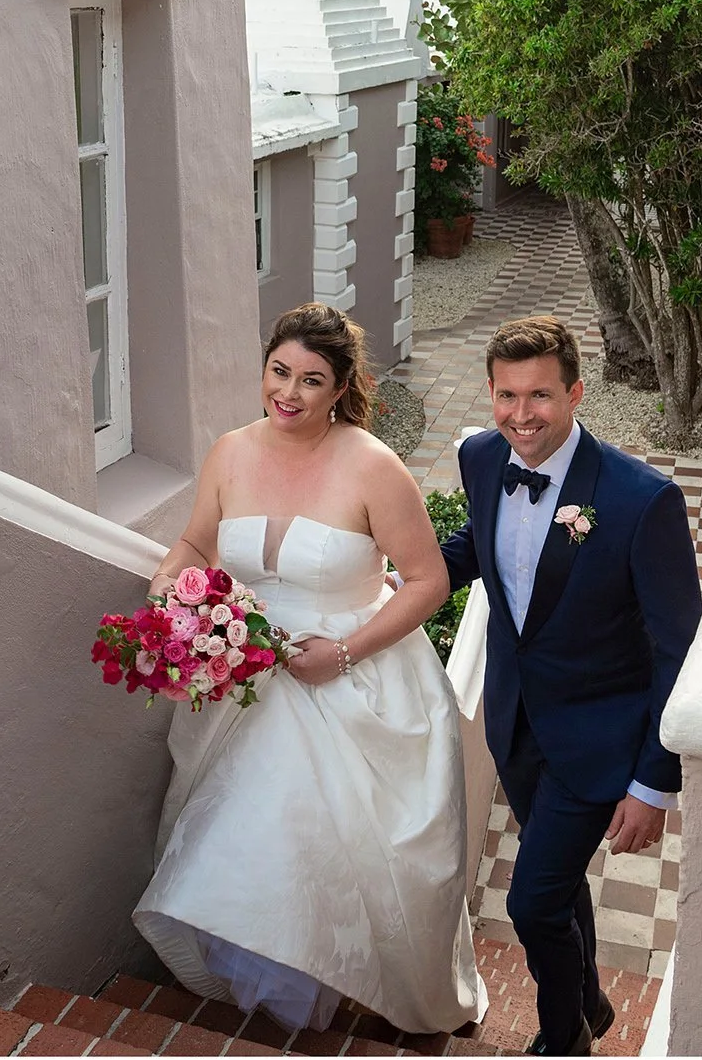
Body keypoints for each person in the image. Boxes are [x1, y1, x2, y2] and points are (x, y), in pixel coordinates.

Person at [134, 303, 486, 1037]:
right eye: (279, 371)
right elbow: (197, 542)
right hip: (251, 676)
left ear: (339, 388)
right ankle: (261, 1001)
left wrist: (345, 651)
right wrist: (170, 591)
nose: (289, 393)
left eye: (311, 380)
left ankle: (322, 992)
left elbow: (427, 581)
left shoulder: (373, 466)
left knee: (309, 838)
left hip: (352, 675)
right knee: (254, 837)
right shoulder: (230, 450)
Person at [437, 315, 702, 1056]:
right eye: (506, 395)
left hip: (599, 744)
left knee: (530, 899)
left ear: (576, 391)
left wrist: (654, 782)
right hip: (516, 724)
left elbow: (680, 650)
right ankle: (589, 999)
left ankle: (564, 1039)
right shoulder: (483, 457)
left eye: (541, 396)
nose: (522, 415)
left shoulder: (641, 500)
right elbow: (479, 544)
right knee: (556, 887)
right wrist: (415, 579)